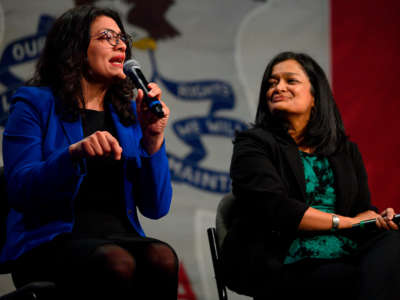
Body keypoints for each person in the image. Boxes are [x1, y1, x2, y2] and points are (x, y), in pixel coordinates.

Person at [0, 5, 178, 300]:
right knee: (116, 262)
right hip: (49, 241)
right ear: (76, 49)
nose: (120, 44)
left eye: (122, 37)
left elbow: (156, 207)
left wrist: (153, 139)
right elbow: (19, 188)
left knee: (162, 256)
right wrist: (72, 155)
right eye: (106, 37)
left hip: (120, 236)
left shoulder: (130, 115)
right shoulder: (34, 104)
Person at [220, 51, 400, 300]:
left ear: (315, 96)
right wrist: (345, 222)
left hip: (345, 250)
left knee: (394, 244)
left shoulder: (344, 150)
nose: (278, 87)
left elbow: (360, 210)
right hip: (283, 256)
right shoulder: (252, 144)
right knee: (351, 281)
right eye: (272, 83)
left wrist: (376, 219)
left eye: (290, 81)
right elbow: (274, 208)